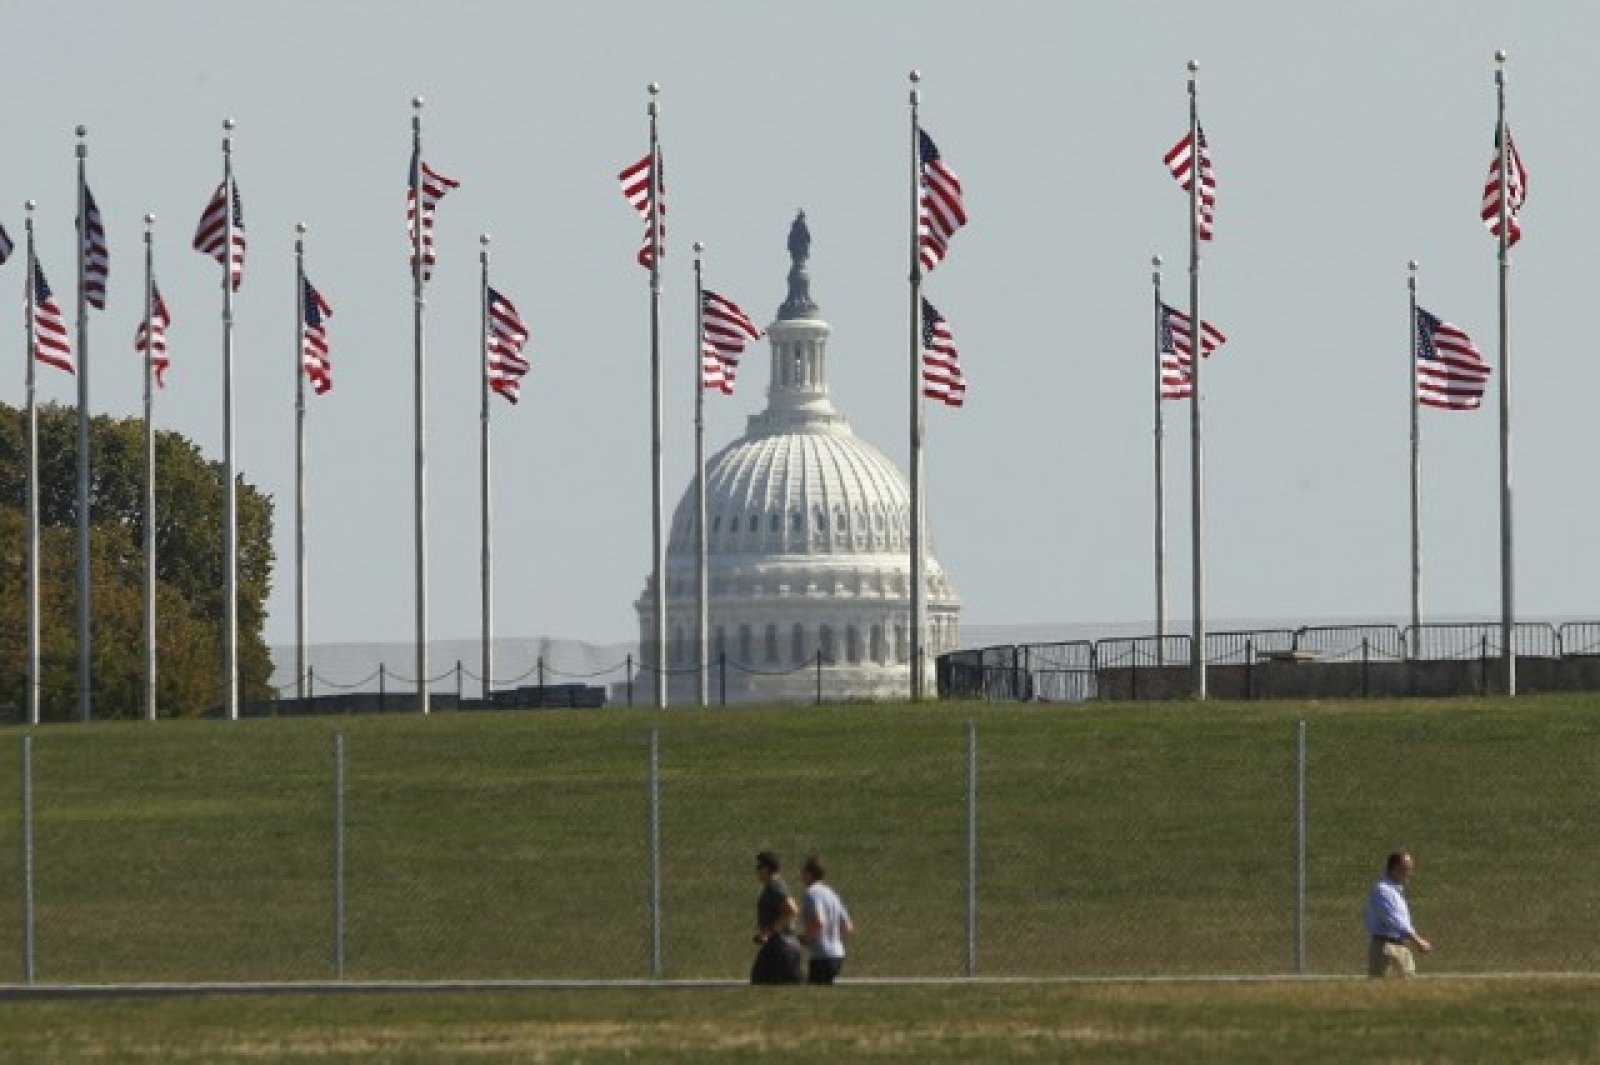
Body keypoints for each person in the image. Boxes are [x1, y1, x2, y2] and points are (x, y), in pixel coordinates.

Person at [1363, 850, 1433, 978]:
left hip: (1400, 947)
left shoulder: (1393, 891)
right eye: (1406, 869)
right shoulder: (1383, 891)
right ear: (1395, 868)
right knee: (1384, 988)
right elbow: (1394, 920)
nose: (1409, 873)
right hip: (1387, 949)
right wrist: (1417, 940)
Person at [750, 850, 804, 985]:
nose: (757, 871)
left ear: (767, 869)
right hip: (783, 945)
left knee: (760, 981)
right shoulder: (775, 886)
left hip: (780, 946)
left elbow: (792, 910)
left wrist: (769, 932)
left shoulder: (775, 887)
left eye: (759, 867)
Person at [798, 855, 853, 985]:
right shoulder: (831, 893)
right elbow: (847, 926)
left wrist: (805, 938)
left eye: (803, 872)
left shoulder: (812, 893)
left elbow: (819, 922)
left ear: (809, 874)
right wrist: (831, 933)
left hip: (821, 957)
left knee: (813, 995)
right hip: (838, 954)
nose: (801, 876)